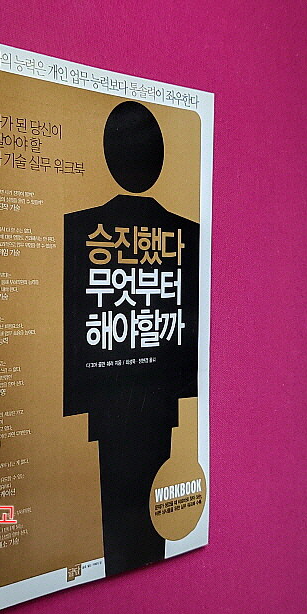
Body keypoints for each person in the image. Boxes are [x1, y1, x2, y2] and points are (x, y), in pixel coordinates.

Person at [63, 101, 199, 576]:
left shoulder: (82, 228)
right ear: (157, 160)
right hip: (159, 402)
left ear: (109, 156)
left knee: (121, 520)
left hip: (107, 402)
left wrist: (81, 396)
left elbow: (77, 328)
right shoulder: (185, 233)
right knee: (145, 525)